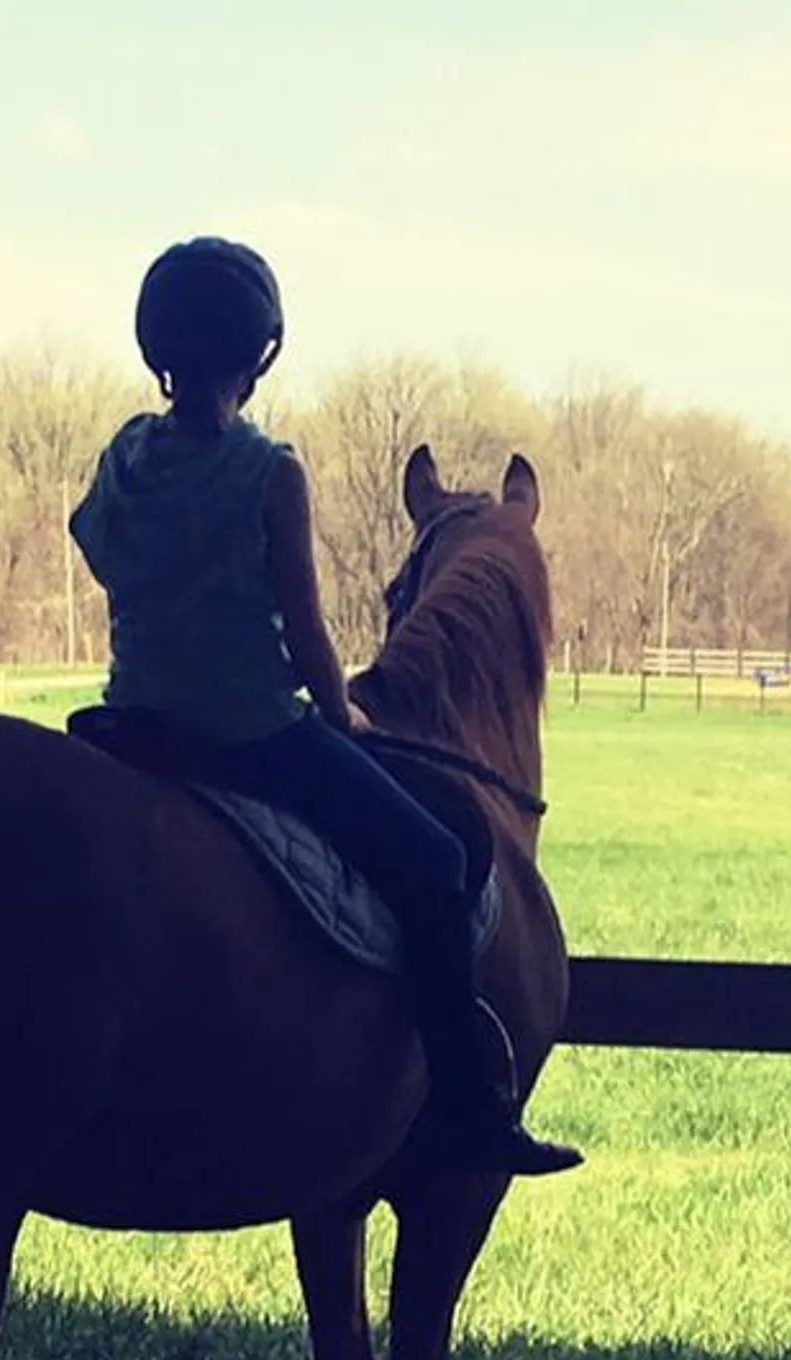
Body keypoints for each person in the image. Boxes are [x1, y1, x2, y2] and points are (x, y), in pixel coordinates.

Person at [69, 236, 580, 1177]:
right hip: (250, 732)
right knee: (437, 857)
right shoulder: (271, 472)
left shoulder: (126, 457)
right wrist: (342, 717)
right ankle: (471, 1101)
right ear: (262, 355)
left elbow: (95, 546)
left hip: (133, 721)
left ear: (156, 350)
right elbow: (305, 629)